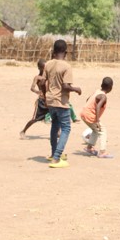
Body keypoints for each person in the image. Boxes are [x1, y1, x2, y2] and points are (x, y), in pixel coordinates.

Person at [44, 39, 81, 168]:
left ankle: (53, 153)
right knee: (66, 128)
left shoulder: (48, 64)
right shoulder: (66, 66)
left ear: (54, 51)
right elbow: (65, 86)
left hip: (50, 100)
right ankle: (56, 158)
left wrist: (45, 95)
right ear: (65, 52)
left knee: (55, 126)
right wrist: (76, 89)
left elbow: (42, 82)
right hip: (61, 101)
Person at [81, 77, 114, 158]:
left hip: (84, 113)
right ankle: (102, 152)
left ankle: (89, 148)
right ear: (110, 87)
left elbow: (88, 99)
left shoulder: (97, 91)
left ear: (101, 85)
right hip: (90, 116)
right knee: (102, 130)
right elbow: (98, 106)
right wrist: (97, 120)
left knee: (95, 130)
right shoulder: (103, 96)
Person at [20, 59, 48, 139]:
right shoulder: (37, 77)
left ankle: (58, 132)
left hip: (48, 100)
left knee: (56, 115)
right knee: (34, 119)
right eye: (43, 67)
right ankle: (23, 131)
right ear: (39, 68)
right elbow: (32, 88)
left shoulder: (48, 77)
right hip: (41, 101)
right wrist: (37, 91)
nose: (45, 69)